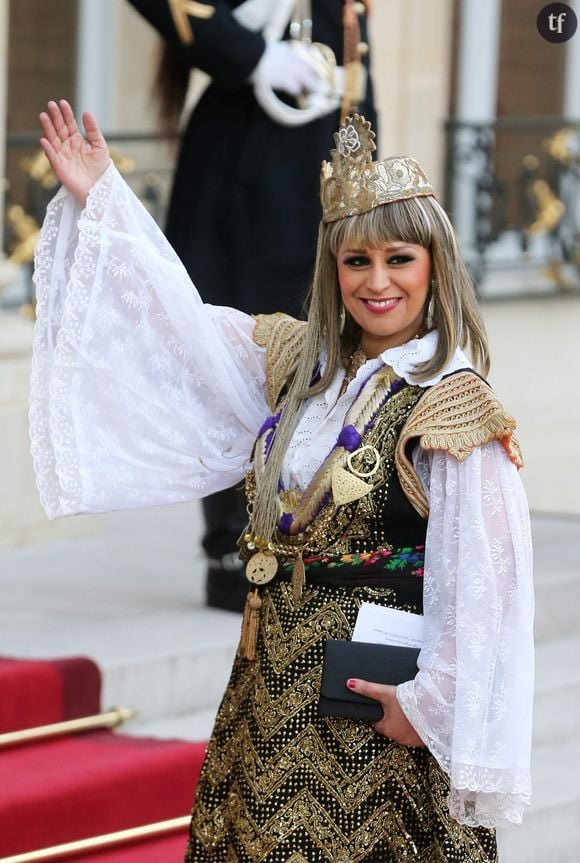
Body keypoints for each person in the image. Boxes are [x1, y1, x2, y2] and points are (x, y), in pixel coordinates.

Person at [32, 101, 534, 862]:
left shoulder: (452, 402)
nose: (377, 282)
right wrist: (103, 195)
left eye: (399, 258)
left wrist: (429, 705)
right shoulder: (303, 366)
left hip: (378, 712)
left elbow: (489, 585)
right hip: (271, 691)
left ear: (435, 265)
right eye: (356, 260)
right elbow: (181, 325)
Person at [126, 0, 377, 612]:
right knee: (242, 350)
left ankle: (301, 532)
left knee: (323, 354)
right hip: (245, 162)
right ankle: (236, 549)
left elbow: (354, 56)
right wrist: (252, 54)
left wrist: (369, 178)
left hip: (323, 153)